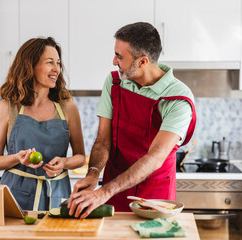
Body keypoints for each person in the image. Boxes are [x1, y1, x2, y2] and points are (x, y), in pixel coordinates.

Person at [68, 22, 196, 218]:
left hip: (155, 197)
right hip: (112, 192)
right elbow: (103, 139)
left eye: (119, 56)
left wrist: (105, 191)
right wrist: (93, 174)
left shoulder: (178, 99)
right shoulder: (114, 82)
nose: (113, 61)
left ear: (143, 61)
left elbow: (156, 156)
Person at [0, 37, 85, 211]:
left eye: (58, 63)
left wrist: (64, 162)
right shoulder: (7, 107)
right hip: (15, 197)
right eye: (50, 63)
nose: (56, 69)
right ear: (30, 66)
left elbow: (80, 157)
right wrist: (17, 157)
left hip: (56, 195)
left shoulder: (68, 108)